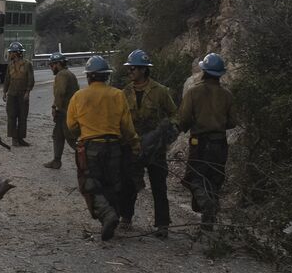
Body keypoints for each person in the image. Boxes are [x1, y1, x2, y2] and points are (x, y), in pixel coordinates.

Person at [66, 55, 139, 241]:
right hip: (114, 146)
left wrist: (84, 130)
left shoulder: (78, 96)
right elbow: (127, 127)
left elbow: (71, 126)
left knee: (90, 184)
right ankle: (111, 219)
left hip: (91, 146)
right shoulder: (118, 95)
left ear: (89, 77)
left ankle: (107, 215)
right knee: (112, 184)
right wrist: (134, 144)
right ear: (106, 76)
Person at [176, 52, 237, 231]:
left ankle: (206, 205)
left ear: (204, 71)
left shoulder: (193, 92)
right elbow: (233, 122)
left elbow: (184, 119)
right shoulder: (227, 95)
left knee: (195, 178)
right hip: (220, 143)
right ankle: (207, 224)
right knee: (214, 180)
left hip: (199, 143)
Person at [122, 50, 178, 236]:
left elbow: (174, 114)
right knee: (130, 183)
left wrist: (167, 131)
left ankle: (162, 225)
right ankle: (126, 218)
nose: (130, 71)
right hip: (133, 145)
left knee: (158, 186)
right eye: (129, 68)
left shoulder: (160, 91)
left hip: (155, 147)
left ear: (144, 70)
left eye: (134, 68)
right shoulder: (125, 92)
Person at [42, 52, 78, 170]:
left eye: (52, 65)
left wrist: (55, 107)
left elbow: (60, 92)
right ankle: (56, 161)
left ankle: (87, 161)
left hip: (66, 113)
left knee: (72, 139)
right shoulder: (69, 74)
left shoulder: (62, 75)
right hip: (66, 111)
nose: (51, 68)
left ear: (58, 64)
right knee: (57, 135)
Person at [1, 41, 34, 147]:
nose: (10, 54)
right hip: (12, 94)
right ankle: (14, 138)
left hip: (22, 93)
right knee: (11, 116)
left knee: (22, 116)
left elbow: (31, 79)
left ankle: (21, 138)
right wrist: (4, 92)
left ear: (17, 53)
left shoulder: (27, 64)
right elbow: (7, 79)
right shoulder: (10, 65)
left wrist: (28, 92)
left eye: (11, 52)